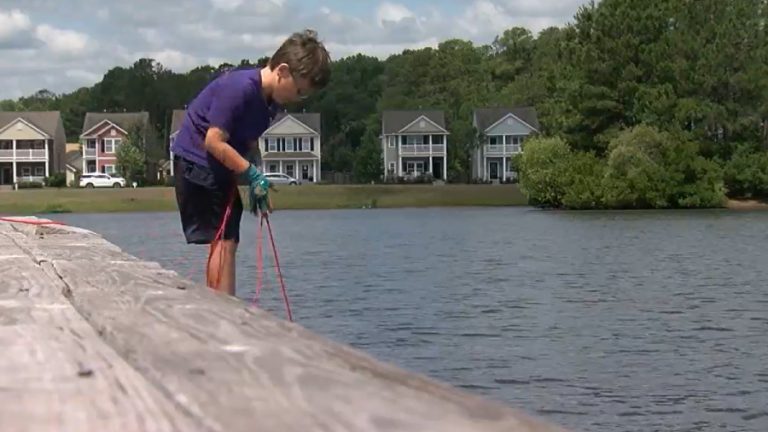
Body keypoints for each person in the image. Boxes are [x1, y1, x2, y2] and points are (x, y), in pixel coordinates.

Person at [171, 29, 331, 296]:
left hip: (218, 166)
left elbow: (247, 140)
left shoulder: (270, 102)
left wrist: (251, 170)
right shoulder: (240, 88)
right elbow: (214, 141)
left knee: (228, 238)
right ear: (282, 71)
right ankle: (222, 308)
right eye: (299, 90)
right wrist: (252, 174)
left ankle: (223, 304)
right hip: (196, 163)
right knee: (222, 239)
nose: (298, 98)